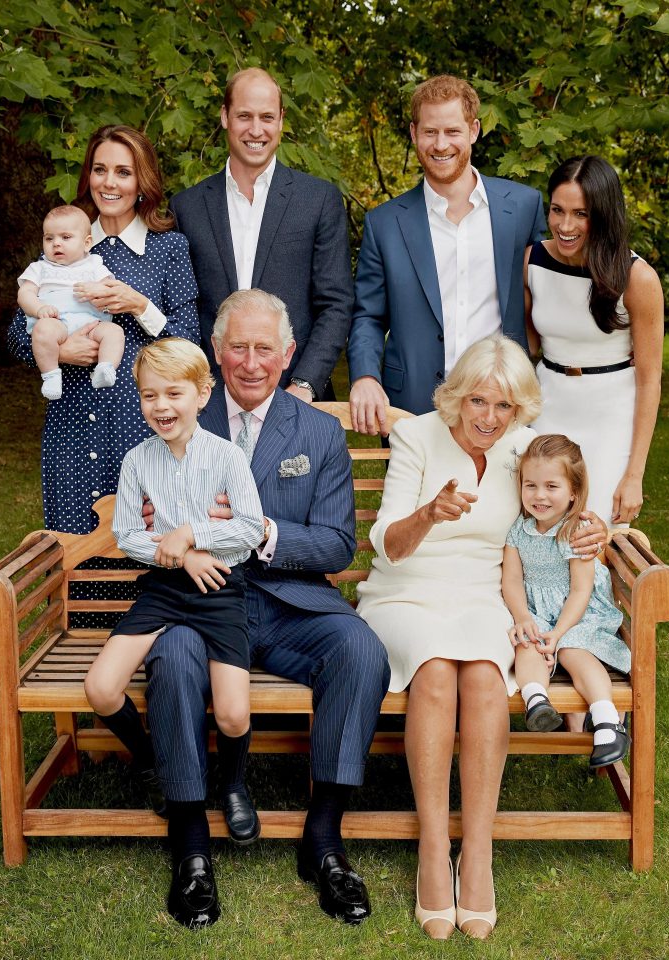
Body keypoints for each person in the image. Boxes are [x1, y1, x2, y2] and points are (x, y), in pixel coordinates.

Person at [142, 289, 390, 930]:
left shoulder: (318, 432)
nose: (250, 363)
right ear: (216, 354)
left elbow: (337, 545)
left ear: (288, 355)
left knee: (360, 649)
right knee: (170, 655)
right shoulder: (182, 415)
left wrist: (261, 531)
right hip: (200, 601)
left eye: (264, 349)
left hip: (288, 603)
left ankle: (325, 837)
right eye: (237, 348)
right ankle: (192, 846)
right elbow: (147, 508)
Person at [355, 337, 605, 941]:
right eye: (477, 401)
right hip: (406, 589)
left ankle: (481, 850)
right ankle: (434, 849)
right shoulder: (416, 436)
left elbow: (565, 496)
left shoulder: (522, 449)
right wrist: (429, 513)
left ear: (520, 410)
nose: (488, 418)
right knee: (437, 669)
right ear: (457, 396)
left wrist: (594, 527)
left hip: (485, 595)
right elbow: (386, 544)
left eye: (504, 406)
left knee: (488, 678)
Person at [84, 338, 265, 857]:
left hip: (219, 590)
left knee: (233, 714)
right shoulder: (138, 461)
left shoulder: (228, 456)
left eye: (174, 394)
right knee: (101, 687)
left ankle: (231, 783)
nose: (161, 407)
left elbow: (250, 529)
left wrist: (191, 533)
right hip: (165, 588)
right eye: (149, 396)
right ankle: (152, 762)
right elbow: (127, 535)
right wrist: (179, 554)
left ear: (203, 394)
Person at [8, 124, 200, 533]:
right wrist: (59, 353)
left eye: (123, 172)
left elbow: (189, 340)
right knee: (75, 551)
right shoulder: (65, 241)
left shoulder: (168, 248)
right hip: (71, 424)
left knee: (147, 550)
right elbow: (14, 333)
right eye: (99, 170)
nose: (109, 183)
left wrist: (140, 306)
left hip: (142, 424)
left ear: (142, 181)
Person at [347, 74, 547, 433]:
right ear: (413, 133)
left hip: (503, 404)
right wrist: (364, 375)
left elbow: (546, 295)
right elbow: (368, 317)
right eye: (430, 132)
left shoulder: (522, 207)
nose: (441, 144)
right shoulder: (385, 223)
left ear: (473, 130)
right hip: (412, 406)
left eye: (452, 131)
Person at [169, 67, 353, 402]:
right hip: (211, 400)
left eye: (267, 117)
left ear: (281, 120)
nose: (256, 130)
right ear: (225, 116)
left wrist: (305, 383)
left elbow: (336, 304)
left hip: (296, 395)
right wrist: (200, 383)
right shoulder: (186, 208)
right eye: (244, 116)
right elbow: (184, 308)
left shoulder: (318, 200)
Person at [525, 155, 664, 526]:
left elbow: (650, 380)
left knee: (595, 534)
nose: (565, 225)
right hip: (548, 408)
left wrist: (634, 475)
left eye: (580, 214)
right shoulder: (532, 262)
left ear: (602, 215)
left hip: (610, 418)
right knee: (540, 529)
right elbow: (528, 347)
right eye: (557, 210)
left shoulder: (637, 278)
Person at [502, 434, 631, 769]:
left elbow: (580, 591)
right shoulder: (518, 529)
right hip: (537, 613)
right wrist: (522, 617)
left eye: (551, 486)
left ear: (574, 491)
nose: (539, 495)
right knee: (527, 645)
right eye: (530, 485)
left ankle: (606, 721)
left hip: (578, 615)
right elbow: (512, 580)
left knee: (574, 651)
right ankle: (538, 702)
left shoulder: (577, 530)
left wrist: (558, 634)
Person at [18, 205, 124, 400]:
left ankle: (105, 367)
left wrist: (100, 290)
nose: (56, 244)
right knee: (43, 331)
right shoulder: (39, 268)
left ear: (86, 243)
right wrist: (39, 308)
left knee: (114, 332)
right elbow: (24, 294)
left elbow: (111, 290)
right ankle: (50, 375)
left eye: (65, 238)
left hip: (91, 323)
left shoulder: (95, 264)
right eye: (49, 238)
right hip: (56, 322)